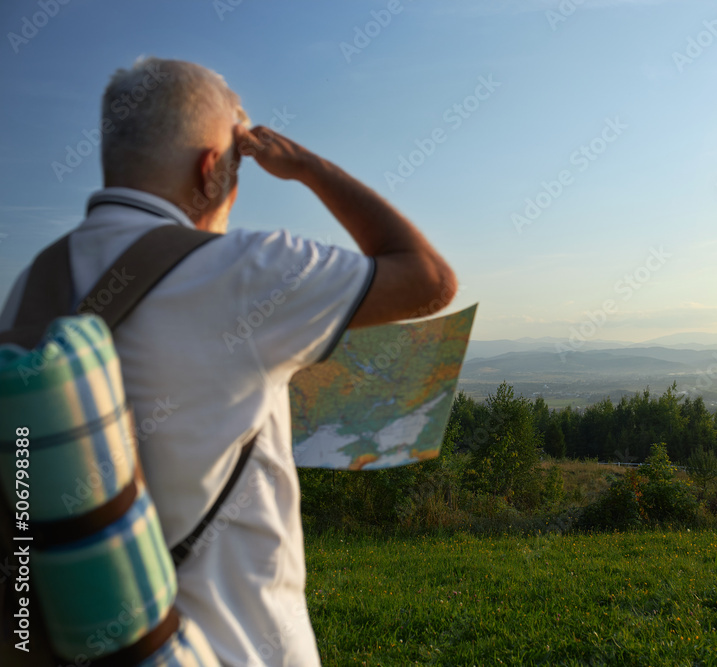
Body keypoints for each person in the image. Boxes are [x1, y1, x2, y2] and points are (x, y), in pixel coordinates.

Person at [0, 58, 455, 666]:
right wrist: (308, 169)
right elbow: (428, 280)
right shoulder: (245, 271)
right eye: (238, 166)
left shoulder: (30, 287)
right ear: (211, 169)